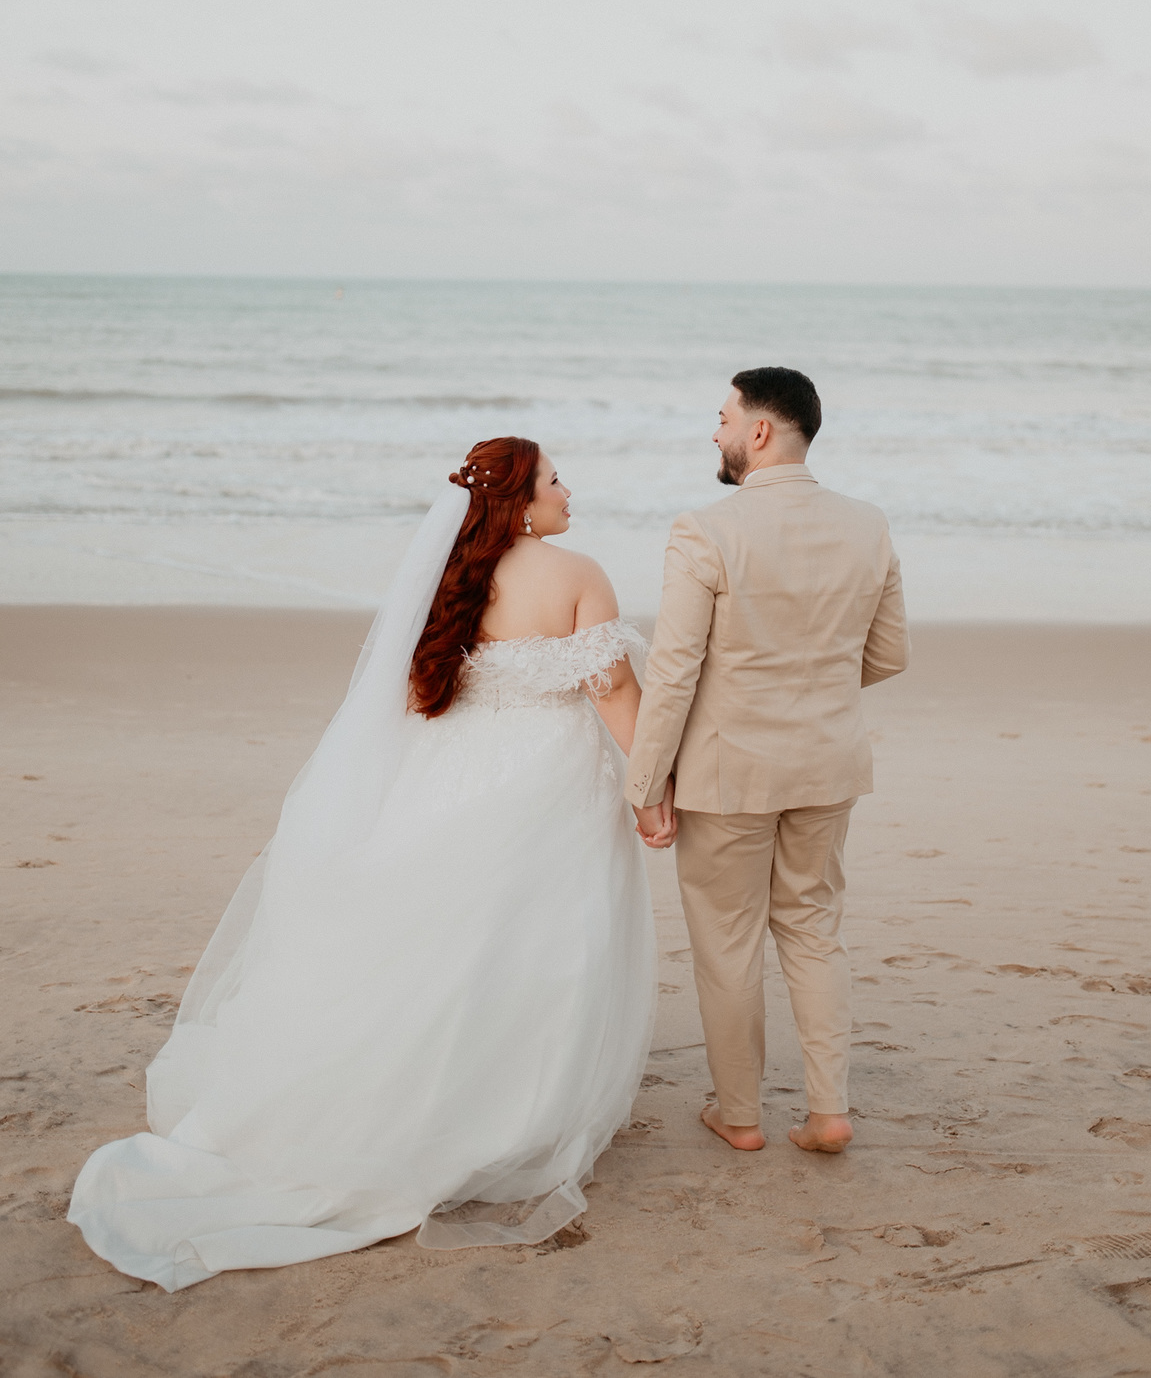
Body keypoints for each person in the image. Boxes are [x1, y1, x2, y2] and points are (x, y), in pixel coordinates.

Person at [68, 438, 659, 1291]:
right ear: (523, 501)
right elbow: (612, 694)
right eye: (557, 478)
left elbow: (421, 690)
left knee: (444, 946)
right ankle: (507, 1116)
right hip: (545, 782)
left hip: (451, 778)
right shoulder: (576, 572)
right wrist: (651, 792)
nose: (572, 490)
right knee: (541, 948)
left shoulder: (450, 577)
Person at [626, 367, 909, 1155]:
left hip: (730, 772)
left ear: (759, 431)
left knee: (727, 940)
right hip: (828, 760)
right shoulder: (868, 524)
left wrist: (645, 783)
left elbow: (675, 671)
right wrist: (809, 681)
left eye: (721, 418)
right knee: (815, 928)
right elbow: (888, 654)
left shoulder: (705, 529)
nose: (714, 433)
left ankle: (740, 1115)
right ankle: (828, 1113)